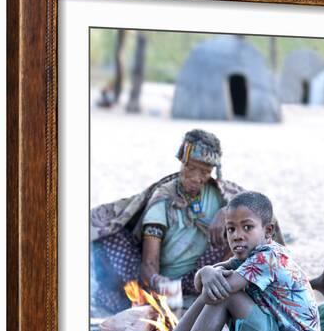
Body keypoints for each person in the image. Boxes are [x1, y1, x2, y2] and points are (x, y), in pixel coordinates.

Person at [110, 191, 323, 331]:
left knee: (223, 294)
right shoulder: (248, 256)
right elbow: (201, 285)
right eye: (231, 229)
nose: (237, 236)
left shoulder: (268, 257)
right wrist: (206, 271)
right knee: (217, 290)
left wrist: (208, 273)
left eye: (247, 227)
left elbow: (221, 289)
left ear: (268, 231)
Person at [91, 129, 284, 313]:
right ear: (182, 162)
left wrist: (227, 212)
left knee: (245, 228)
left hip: (202, 276)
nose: (195, 177)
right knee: (110, 239)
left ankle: (221, 288)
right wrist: (164, 287)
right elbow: (149, 265)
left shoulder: (221, 194)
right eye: (190, 168)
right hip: (161, 280)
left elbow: (260, 213)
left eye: (204, 172)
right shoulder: (164, 199)